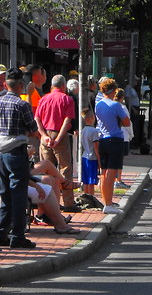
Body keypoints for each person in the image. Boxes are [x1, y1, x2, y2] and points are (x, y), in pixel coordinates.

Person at [0, 68, 44, 249]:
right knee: (18, 195)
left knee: (5, 195)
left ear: (5, 84)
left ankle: (2, 232)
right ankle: (17, 236)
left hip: (1, 152)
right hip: (16, 152)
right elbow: (33, 129)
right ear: (20, 86)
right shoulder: (22, 105)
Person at [35, 73, 79, 212]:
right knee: (65, 169)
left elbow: (37, 119)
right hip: (60, 134)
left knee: (46, 171)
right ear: (64, 86)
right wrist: (59, 138)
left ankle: (49, 203)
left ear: (52, 85)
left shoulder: (44, 99)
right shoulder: (67, 99)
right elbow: (67, 121)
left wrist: (43, 135)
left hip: (45, 135)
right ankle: (68, 203)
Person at [94, 77, 131, 215]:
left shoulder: (98, 105)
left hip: (102, 139)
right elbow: (126, 122)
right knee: (111, 173)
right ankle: (109, 204)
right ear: (114, 90)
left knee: (104, 173)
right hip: (115, 138)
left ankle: (106, 202)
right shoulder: (116, 105)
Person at [28, 160, 80, 235]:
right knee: (46, 168)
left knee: (55, 180)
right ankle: (65, 183)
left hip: (22, 172)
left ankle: (51, 216)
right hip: (16, 175)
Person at [78, 109, 103, 208]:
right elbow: (96, 148)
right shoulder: (94, 131)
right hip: (92, 157)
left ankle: (86, 199)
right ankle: (92, 199)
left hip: (85, 156)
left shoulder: (83, 130)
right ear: (92, 118)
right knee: (92, 181)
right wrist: (99, 161)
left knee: (86, 180)